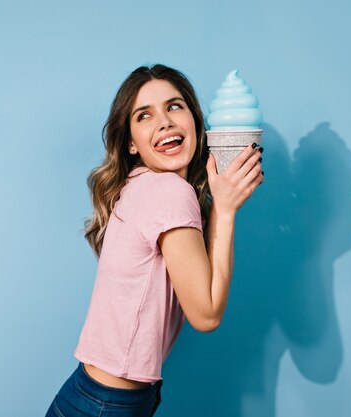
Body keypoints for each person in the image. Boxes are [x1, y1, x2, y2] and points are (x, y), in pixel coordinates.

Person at [45, 64, 264, 417]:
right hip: (107, 405)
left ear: (195, 121)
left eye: (174, 107)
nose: (164, 122)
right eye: (144, 116)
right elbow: (206, 316)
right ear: (130, 142)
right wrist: (225, 209)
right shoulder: (168, 191)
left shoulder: (139, 184)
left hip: (91, 395)